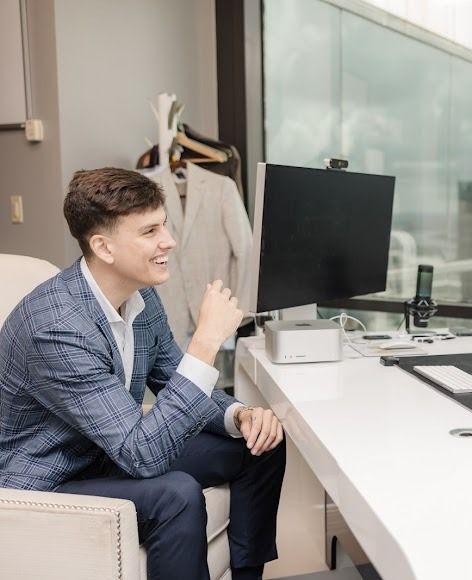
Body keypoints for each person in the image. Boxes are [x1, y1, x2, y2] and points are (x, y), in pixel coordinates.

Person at [0, 168, 285, 580]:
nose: (168, 241)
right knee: (177, 494)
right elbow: (143, 457)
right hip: (49, 480)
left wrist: (239, 415)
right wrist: (204, 342)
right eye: (150, 231)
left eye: (164, 225)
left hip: (109, 449)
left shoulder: (141, 296)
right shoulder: (55, 327)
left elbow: (175, 378)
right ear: (104, 247)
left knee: (260, 441)